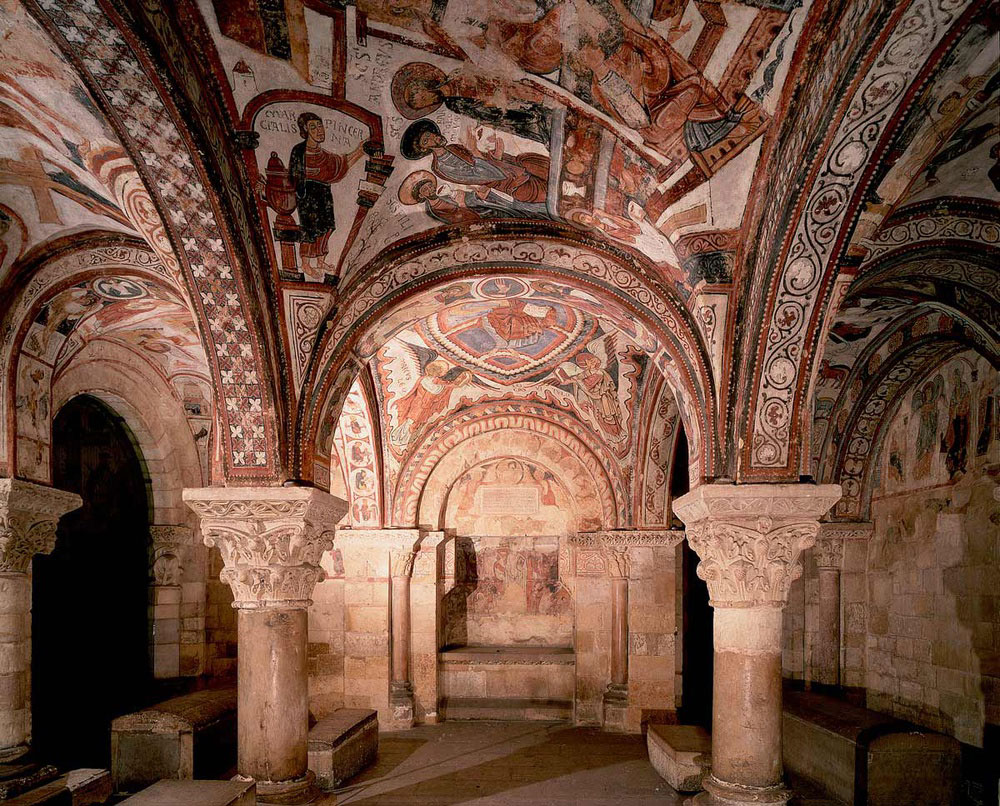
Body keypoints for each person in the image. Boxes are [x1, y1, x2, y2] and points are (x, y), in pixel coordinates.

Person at [400, 120, 551, 219]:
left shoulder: (453, 148)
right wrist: (476, 152)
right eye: (426, 141)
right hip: (517, 185)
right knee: (552, 191)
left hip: (518, 171)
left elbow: (486, 159)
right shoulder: (442, 167)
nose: (434, 138)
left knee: (528, 160)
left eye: (429, 135)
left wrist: (494, 156)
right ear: (424, 149)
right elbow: (485, 175)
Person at [288, 112, 366, 279]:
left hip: (323, 192)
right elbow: (293, 175)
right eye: (313, 127)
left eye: (320, 126)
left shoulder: (324, 155)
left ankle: (320, 260)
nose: (319, 130)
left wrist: (360, 151)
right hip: (307, 195)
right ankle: (306, 264)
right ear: (305, 130)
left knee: (327, 226)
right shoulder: (299, 151)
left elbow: (341, 165)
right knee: (310, 229)